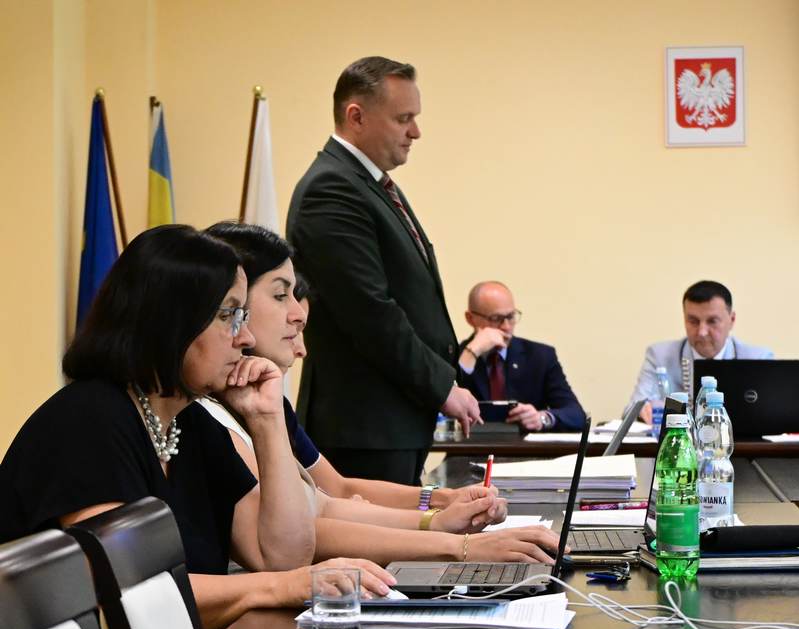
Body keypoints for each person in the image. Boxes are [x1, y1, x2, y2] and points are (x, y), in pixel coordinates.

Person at [0, 225, 395, 629]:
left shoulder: (189, 422)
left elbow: (281, 556)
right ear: (170, 321)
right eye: (228, 316)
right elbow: (132, 593)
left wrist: (267, 421)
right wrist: (284, 586)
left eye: (243, 316)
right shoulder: (87, 421)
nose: (246, 337)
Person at [203, 223, 559, 565]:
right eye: (281, 295)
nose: (297, 318)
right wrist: (456, 542)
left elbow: (333, 497)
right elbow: (298, 536)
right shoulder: (212, 416)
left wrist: (442, 507)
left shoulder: (266, 404)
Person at [287, 55, 479, 485]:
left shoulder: (368, 183)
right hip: (365, 430)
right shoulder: (331, 189)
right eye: (403, 118)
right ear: (356, 116)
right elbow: (371, 312)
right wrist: (442, 387)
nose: (416, 131)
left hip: (391, 422)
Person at [629, 280, 774, 422]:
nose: (702, 332)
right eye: (693, 321)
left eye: (712, 321)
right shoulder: (659, 356)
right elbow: (633, 408)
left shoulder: (759, 359)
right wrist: (644, 411)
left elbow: (774, 413)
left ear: (732, 320)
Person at [457, 281, 585, 432]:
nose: (506, 326)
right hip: (469, 444)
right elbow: (443, 403)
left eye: (511, 316)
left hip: (525, 444)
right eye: (496, 318)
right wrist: (472, 352)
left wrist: (542, 418)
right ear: (470, 318)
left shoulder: (540, 356)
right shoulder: (454, 355)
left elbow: (576, 415)